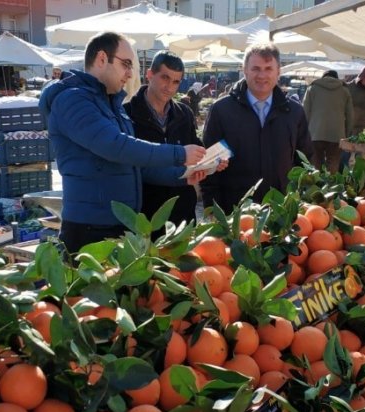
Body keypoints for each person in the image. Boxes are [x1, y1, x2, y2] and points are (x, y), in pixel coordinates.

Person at [38, 31, 206, 253]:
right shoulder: (73, 100)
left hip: (120, 225)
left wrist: (182, 177)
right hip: (90, 228)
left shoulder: (111, 104)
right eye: (126, 64)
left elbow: (133, 166)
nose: (129, 73)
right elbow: (117, 146)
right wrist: (179, 154)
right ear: (101, 59)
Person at [201, 43, 312, 209]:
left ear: (278, 72)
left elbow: (305, 161)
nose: (262, 75)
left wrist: (301, 203)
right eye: (256, 68)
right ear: (244, 70)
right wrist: (211, 208)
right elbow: (208, 164)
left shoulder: (294, 112)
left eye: (268, 68)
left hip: (280, 210)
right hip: (235, 210)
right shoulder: (222, 110)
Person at [124, 50, 214, 227]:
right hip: (144, 216)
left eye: (176, 82)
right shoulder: (127, 113)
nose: (170, 87)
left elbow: (195, 149)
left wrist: (212, 161)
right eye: (165, 78)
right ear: (149, 74)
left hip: (183, 214)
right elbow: (132, 166)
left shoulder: (184, 113)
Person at [302, 70, 353, 173]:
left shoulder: (312, 88)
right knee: (333, 164)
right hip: (337, 134)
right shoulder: (344, 91)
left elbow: (304, 112)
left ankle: (316, 186)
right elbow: (350, 115)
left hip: (315, 133)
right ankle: (331, 186)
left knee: (315, 164)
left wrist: (303, 133)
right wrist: (347, 135)